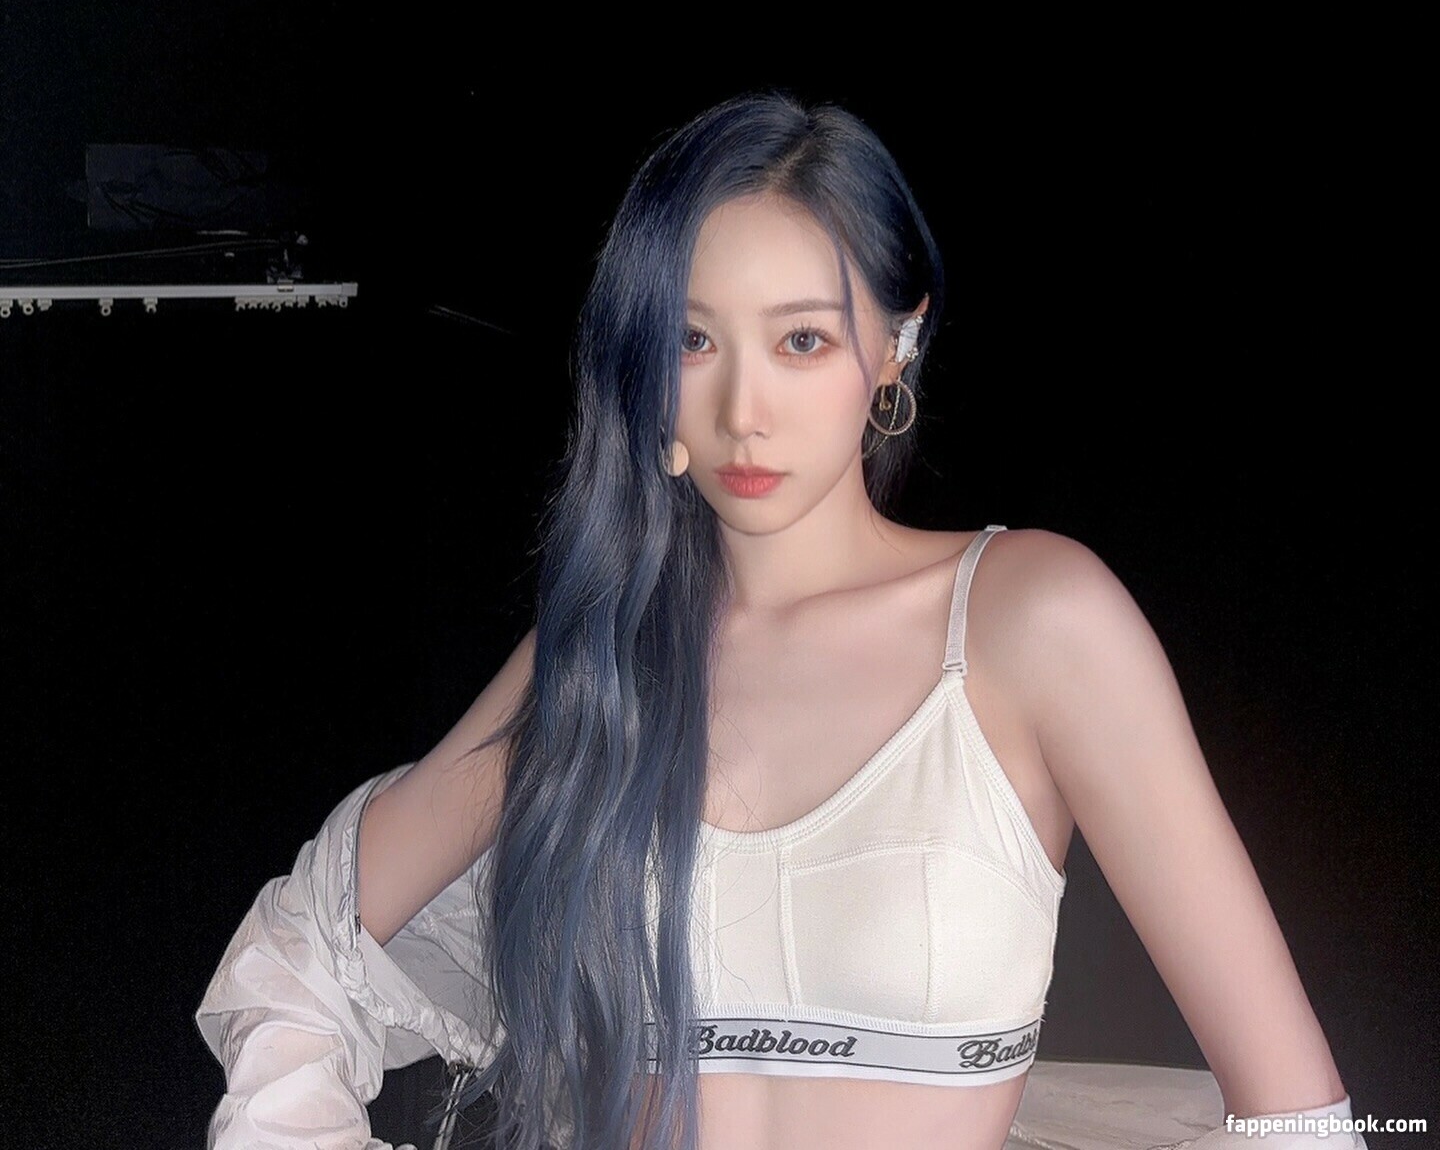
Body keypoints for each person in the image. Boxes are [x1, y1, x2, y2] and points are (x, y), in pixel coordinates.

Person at [197, 93, 1365, 1150]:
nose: (742, 410)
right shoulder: (598, 655)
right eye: (692, 340)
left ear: (897, 345)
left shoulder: (1035, 624)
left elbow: (1298, 1119)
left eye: (802, 339)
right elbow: (301, 957)